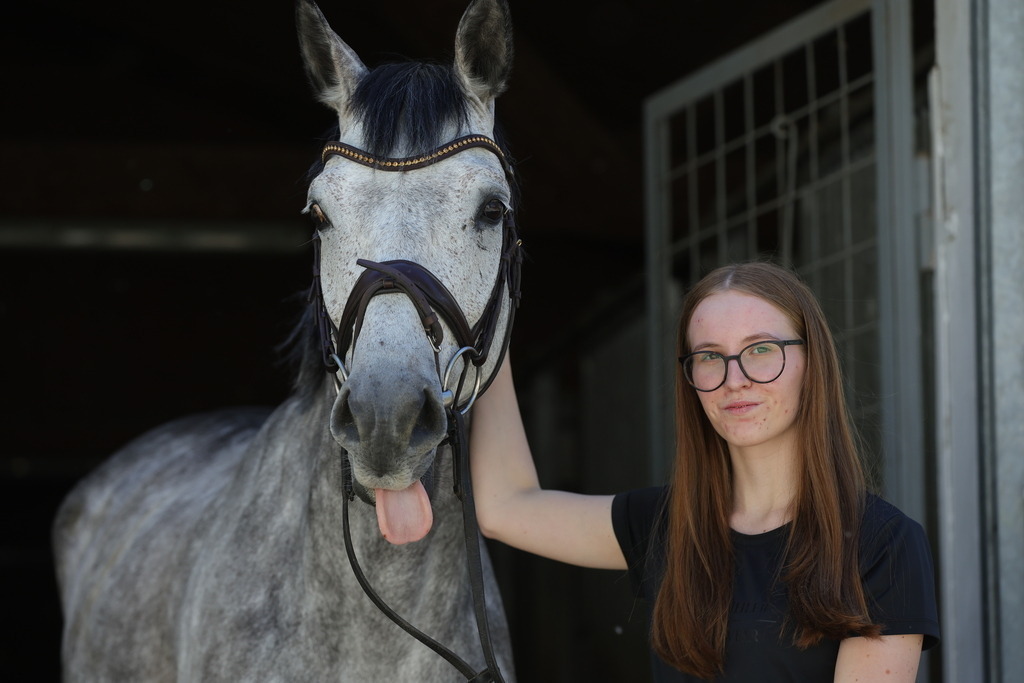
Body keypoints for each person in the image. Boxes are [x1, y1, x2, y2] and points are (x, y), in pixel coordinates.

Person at [470, 261, 940, 682]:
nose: (735, 380)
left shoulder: (883, 544)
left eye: (760, 350)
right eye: (710, 357)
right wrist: (490, 335)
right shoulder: (667, 526)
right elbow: (504, 508)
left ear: (811, 362)